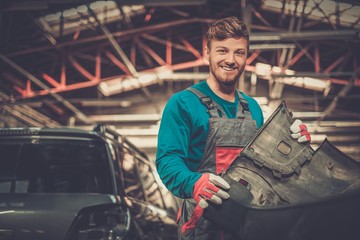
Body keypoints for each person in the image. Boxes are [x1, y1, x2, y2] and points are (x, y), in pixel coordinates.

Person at [155, 16, 310, 240]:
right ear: (207, 52)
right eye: (222, 51)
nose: (231, 59)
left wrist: (294, 144)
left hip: (249, 224)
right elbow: (167, 161)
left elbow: (266, 166)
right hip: (202, 224)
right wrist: (194, 182)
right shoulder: (183, 104)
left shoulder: (253, 108)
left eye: (239, 52)